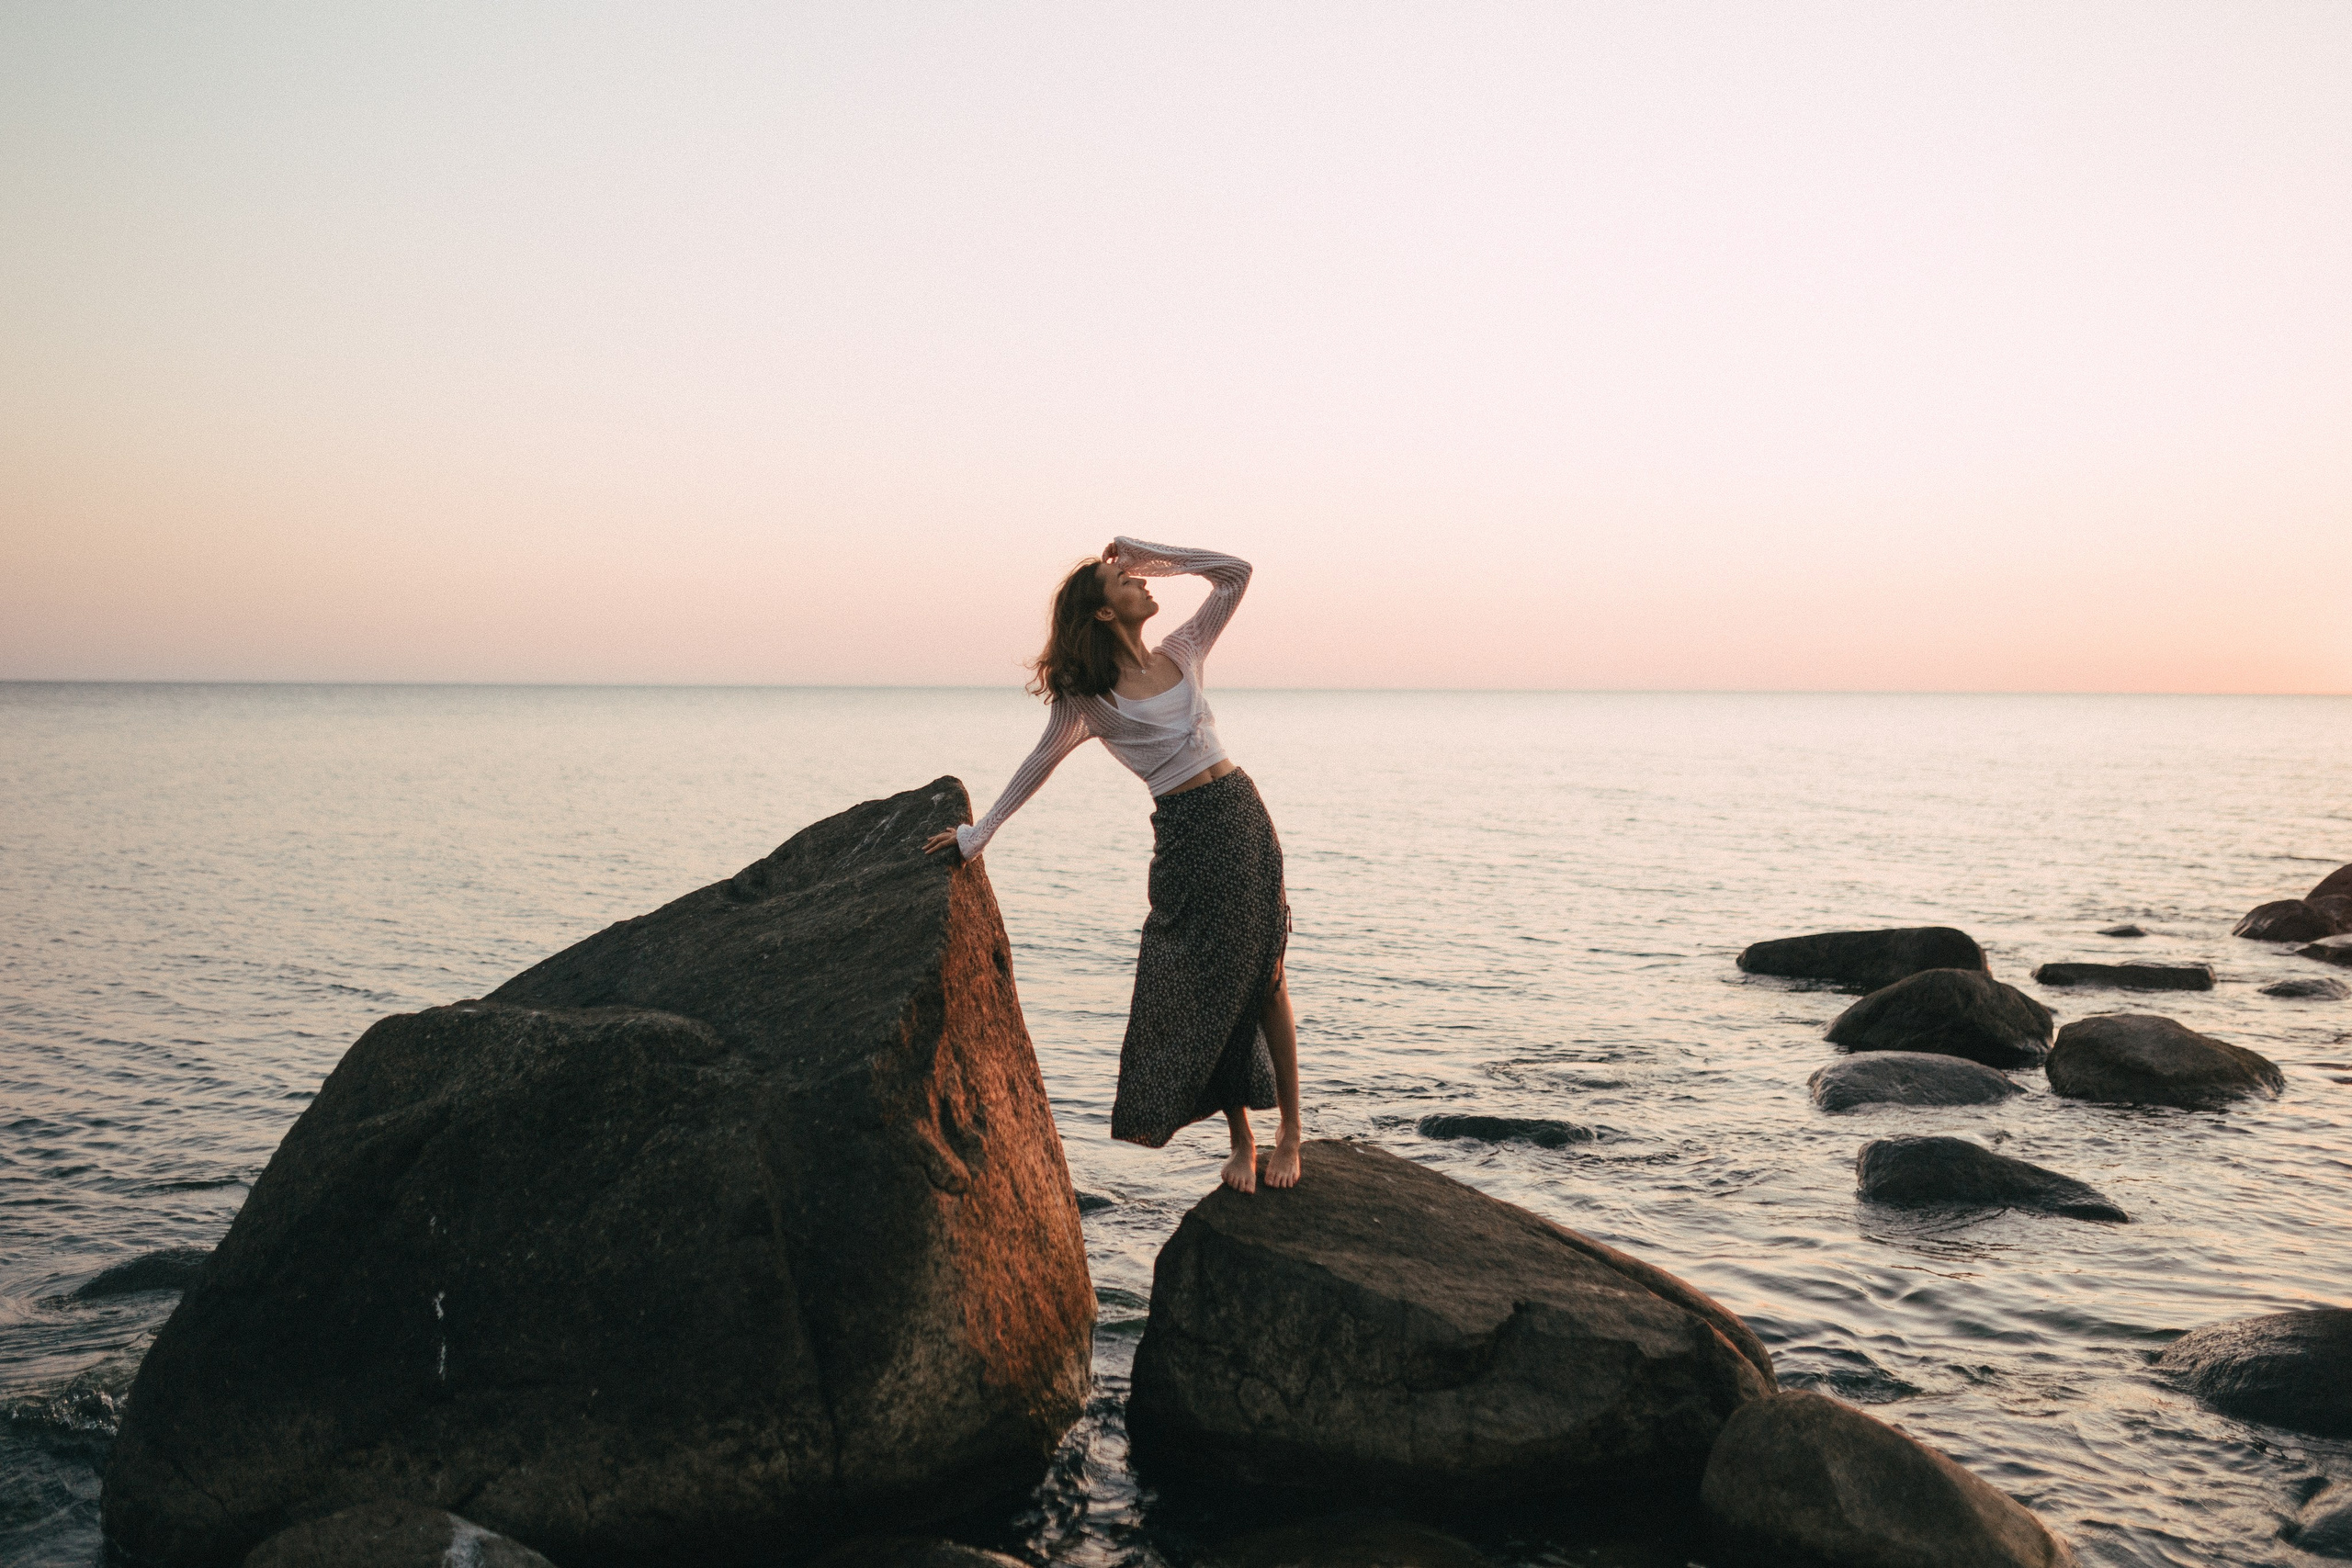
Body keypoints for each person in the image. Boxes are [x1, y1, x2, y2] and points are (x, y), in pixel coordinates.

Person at [923, 538, 1304, 1191]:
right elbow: (1038, 764)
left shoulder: (1182, 649)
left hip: (1242, 816)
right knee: (1205, 986)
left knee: (1266, 976)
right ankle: (1241, 1139)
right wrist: (975, 835)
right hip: (1188, 837)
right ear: (1104, 613)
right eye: (1122, 580)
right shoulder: (1090, 699)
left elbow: (1236, 575)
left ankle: (1291, 1134)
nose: (1139, 583)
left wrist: (1146, 553)